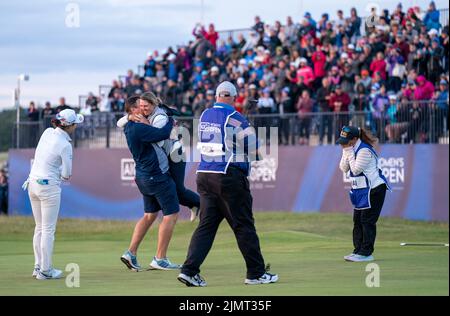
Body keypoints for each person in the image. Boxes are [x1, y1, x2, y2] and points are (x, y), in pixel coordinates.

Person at [177, 81, 278, 287]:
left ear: (216, 96)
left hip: (204, 175)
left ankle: (189, 271)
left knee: (206, 227)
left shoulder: (204, 115)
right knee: (243, 225)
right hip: (227, 177)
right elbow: (256, 152)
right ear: (233, 97)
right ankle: (256, 273)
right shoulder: (236, 118)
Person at [119, 94, 184, 272]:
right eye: (139, 107)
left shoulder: (129, 125)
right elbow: (162, 133)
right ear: (133, 111)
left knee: (150, 215)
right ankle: (160, 259)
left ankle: (130, 253)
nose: (144, 109)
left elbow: (123, 121)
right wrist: (170, 120)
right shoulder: (139, 128)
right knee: (171, 214)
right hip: (156, 176)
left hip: (143, 176)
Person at [23, 109, 84, 279]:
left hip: (33, 183)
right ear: (70, 126)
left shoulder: (47, 132)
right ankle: (46, 270)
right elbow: (66, 174)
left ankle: (38, 267)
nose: (76, 127)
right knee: (48, 229)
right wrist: (56, 170)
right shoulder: (65, 145)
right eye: (75, 124)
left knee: (40, 227)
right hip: (48, 187)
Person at [337, 126, 390, 262]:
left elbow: (355, 170)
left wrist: (348, 151)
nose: (343, 143)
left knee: (367, 221)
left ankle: (366, 253)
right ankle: (358, 250)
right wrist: (346, 151)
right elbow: (343, 168)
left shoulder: (365, 150)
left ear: (355, 139)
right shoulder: (349, 149)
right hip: (361, 191)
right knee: (357, 221)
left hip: (374, 189)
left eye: (346, 140)